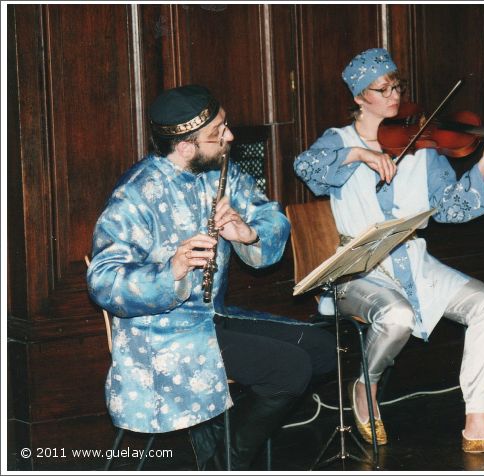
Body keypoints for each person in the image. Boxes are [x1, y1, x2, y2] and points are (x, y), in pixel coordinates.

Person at [294, 48, 484, 454]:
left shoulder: (421, 145)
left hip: (413, 261)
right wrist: (359, 154)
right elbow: (306, 168)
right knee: (397, 314)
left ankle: (478, 420)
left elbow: (454, 210)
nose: (393, 95)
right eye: (382, 89)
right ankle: (366, 385)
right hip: (358, 269)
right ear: (358, 97)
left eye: (397, 86)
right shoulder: (339, 141)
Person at [87, 85, 335, 470]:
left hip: (211, 319)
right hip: (162, 336)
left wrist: (248, 233)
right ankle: (226, 459)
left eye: (225, 125)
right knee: (290, 368)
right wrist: (171, 270)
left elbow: (271, 215)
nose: (230, 137)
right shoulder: (136, 194)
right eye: (218, 132)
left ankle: (222, 439)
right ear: (185, 146)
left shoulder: (219, 170)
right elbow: (103, 279)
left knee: (323, 347)